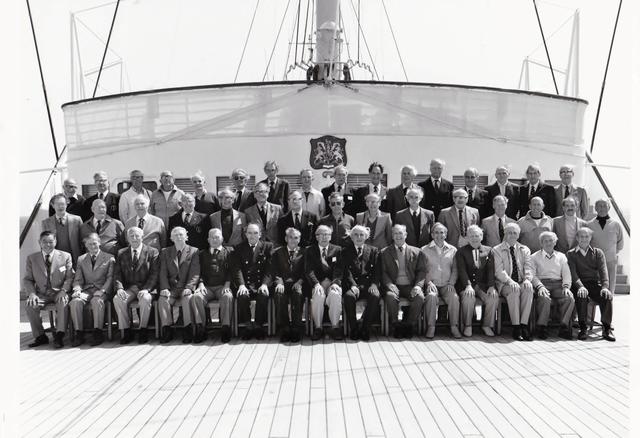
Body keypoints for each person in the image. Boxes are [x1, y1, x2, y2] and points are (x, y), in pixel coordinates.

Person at [23, 231, 74, 348]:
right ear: (39, 243)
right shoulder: (32, 258)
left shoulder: (65, 256)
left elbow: (69, 277)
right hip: (42, 294)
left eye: (51, 241)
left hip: (59, 292)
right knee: (30, 305)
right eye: (44, 242)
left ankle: (59, 335)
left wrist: (63, 291)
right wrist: (31, 293)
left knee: (63, 302)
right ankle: (40, 336)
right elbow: (27, 279)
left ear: (55, 242)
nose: (47, 244)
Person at [113, 226, 160, 344]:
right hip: (130, 288)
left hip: (146, 288)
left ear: (142, 237)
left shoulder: (152, 251)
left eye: (137, 236)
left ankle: (142, 329)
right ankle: (126, 330)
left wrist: (147, 289)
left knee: (145, 299)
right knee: (118, 299)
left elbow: (154, 274)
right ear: (127, 238)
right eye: (131, 236)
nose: (134, 238)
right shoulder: (121, 253)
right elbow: (117, 274)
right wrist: (119, 288)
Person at [567, 227, 615, 341]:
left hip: (593, 284)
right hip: (578, 284)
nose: (584, 239)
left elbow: (603, 271)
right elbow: (573, 274)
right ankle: (583, 328)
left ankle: (607, 328)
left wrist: (605, 287)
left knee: (607, 297)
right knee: (582, 296)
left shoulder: (598, 253)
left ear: (590, 238)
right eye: (581, 236)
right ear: (577, 238)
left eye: (586, 236)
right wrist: (581, 287)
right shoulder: (571, 254)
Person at [381, 224, 427, 339]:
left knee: (419, 297)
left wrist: (418, 286)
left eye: (400, 233)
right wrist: (389, 284)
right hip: (394, 285)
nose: (398, 236)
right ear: (392, 236)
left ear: (406, 235)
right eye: (395, 233)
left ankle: (409, 325)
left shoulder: (417, 252)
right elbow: (383, 272)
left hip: (410, 286)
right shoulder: (384, 252)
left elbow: (422, 271)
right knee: (390, 297)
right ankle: (396, 325)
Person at [69, 233, 115, 346]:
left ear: (99, 243)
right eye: (89, 244)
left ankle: (98, 332)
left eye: (94, 243)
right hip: (87, 290)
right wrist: (77, 290)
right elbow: (78, 278)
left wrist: (103, 290)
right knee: (75, 302)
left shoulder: (109, 258)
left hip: (101, 289)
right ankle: (79, 333)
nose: (92, 246)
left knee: (97, 301)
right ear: (86, 246)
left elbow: (110, 278)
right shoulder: (81, 259)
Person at [192, 228, 236, 343]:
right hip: (207, 287)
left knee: (228, 297)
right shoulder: (201, 254)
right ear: (208, 240)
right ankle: (201, 328)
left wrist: (227, 285)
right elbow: (198, 271)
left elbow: (232, 271)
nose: (215, 240)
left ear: (222, 238)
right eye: (212, 237)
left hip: (222, 286)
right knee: (197, 297)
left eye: (217, 237)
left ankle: (225, 328)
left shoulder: (229, 252)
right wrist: (200, 284)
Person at [158, 227, 200, 343]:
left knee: (187, 298)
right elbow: (163, 272)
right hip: (171, 288)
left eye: (181, 234)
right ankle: (167, 329)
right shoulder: (165, 252)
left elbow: (195, 272)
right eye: (175, 235)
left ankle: (188, 329)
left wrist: (189, 287)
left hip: (185, 287)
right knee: (163, 299)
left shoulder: (194, 251)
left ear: (186, 237)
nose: (179, 237)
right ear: (171, 238)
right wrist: (165, 288)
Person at [492, 222, 534, 341]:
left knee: (528, 289)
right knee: (514, 290)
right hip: (505, 283)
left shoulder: (524, 249)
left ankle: (524, 325)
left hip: (521, 281)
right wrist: (510, 281)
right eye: (509, 232)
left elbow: (529, 267)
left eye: (514, 233)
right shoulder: (497, 250)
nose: (512, 235)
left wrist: (527, 279)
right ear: (505, 233)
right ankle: (516, 327)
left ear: (518, 235)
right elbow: (499, 271)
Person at [530, 231, 575, 340]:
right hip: (542, 284)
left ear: (555, 242)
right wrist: (539, 286)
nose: (549, 243)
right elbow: (532, 275)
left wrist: (566, 287)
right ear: (541, 243)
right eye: (546, 241)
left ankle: (563, 327)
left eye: (551, 241)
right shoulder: (534, 257)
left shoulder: (561, 256)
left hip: (558, 285)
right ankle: (542, 327)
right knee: (545, 298)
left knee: (569, 298)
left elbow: (566, 273)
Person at [455, 225, 499, 337]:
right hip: (466, 285)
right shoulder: (461, 251)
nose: (474, 238)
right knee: (468, 297)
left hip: (483, 285)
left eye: (477, 235)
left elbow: (490, 270)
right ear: (468, 238)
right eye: (472, 236)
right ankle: (468, 325)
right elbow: (462, 270)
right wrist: (468, 285)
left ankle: (487, 325)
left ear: (481, 236)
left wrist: (491, 286)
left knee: (493, 297)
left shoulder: (489, 251)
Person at [233, 223, 274, 340]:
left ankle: (258, 325)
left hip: (261, 283)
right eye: (249, 233)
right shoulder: (239, 248)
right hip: (246, 283)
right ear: (245, 234)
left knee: (263, 294)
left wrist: (265, 284)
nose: (252, 236)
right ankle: (248, 326)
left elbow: (270, 268)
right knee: (242, 295)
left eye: (255, 233)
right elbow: (237, 269)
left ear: (260, 234)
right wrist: (241, 285)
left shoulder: (268, 246)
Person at [342, 225, 381, 341]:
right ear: (351, 237)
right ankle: (354, 329)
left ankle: (365, 328)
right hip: (353, 285)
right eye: (356, 234)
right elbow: (346, 271)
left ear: (366, 237)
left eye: (361, 235)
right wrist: (353, 284)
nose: (359, 237)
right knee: (348, 297)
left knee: (375, 295)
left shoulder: (374, 250)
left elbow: (377, 270)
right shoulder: (345, 251)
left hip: (369, 285)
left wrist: (374, 284)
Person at [305, 225, 344, 340]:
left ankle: (335, 327)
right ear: (316, 237)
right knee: (318, 295)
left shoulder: (337, 250)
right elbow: (308, 270)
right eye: (321, 235)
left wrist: (335, 283)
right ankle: (318, 327)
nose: (324, 237)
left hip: (333, 282)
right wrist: (316, 284)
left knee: (335, 295)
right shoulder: (309, 250)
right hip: (318, 283)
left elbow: (339, 269)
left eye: (327, 234)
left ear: (330, 236)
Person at [423, 223, 460, 338]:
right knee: (431, 296)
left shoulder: (453, 250)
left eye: (442, 232)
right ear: (432, 235)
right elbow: (422, 270)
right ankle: (431, 327)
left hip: (447, 284)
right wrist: (428, 282)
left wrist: (452, 283)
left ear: (446, 234)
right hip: (432, 284)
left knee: (454, 298)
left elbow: (455, 269)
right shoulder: (424, 250)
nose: (439, 235)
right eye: (437, 232)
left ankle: (454, 326)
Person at [271, 227, 306, 342]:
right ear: (286, 238)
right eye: (290, 237)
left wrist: (300, 281)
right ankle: (284, 328)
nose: (293, 240)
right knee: (279, 294)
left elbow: (306, 270)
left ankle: (296, 328)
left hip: (297, 283)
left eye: (296, 238)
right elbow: (274, 270)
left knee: (298, 294)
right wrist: (279, 282)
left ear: (299, 239)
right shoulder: (277, 252)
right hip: (283, 283)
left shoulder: (304, 252)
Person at [587, 198, 624, 294]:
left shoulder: (616, 224)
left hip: (610, 261)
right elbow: (587, 242)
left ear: (609, 208)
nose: (602, 208)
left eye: (604, 205)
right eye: (599, 206)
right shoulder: (589, 225)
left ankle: (609, 307)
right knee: (595, 291)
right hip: (594, 263)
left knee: (610, 290)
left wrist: (611, 253)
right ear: (595, 208)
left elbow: (620, 243)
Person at [42, 193, 82, 266]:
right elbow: (44, 243)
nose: (60, 206)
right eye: (57, 204)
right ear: (53, 205)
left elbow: (82, 241)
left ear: (66, 205)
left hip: (74, 259)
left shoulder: (77, 220)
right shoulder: (46, 222)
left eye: (62, 204)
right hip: (55, 260)